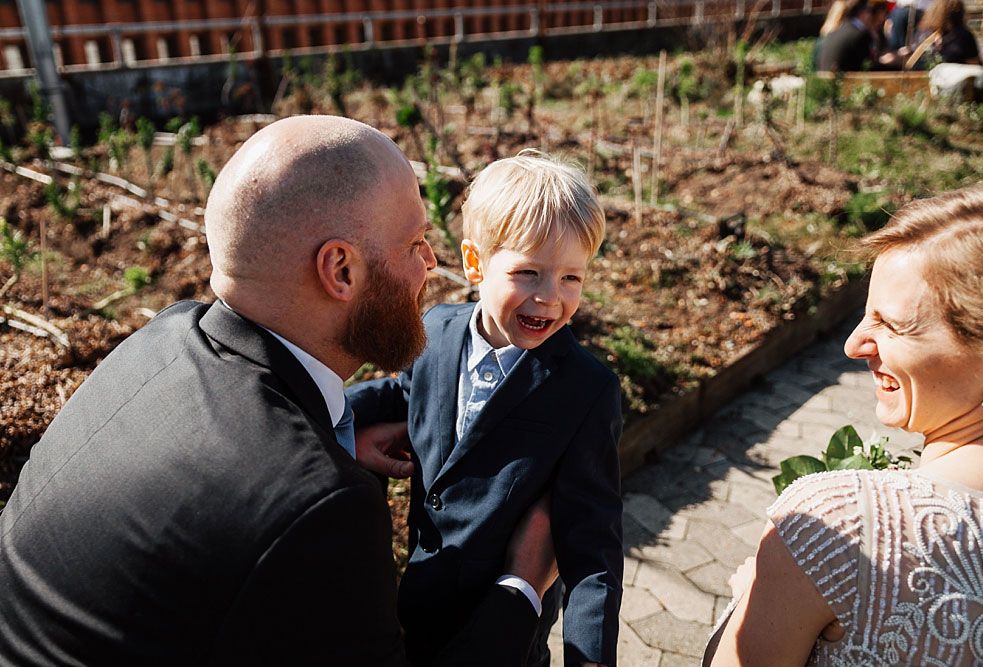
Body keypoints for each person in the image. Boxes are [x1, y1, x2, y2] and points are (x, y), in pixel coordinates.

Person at [0, 115, 556, 666]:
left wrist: (324, 444)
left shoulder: (161, 340)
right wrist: (524, 584)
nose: (432, 264)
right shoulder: (321, 508)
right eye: (415, 242)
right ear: (340, 270)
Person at [347, 151, 624, 667]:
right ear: (475, 264)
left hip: (503, 632)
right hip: (417, 602)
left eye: (571, 278)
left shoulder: (586, 390)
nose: (549, 298)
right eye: (530, 273)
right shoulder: (438, 330)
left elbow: (594, 548)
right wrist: (325, 409)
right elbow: (408, 393)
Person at [705, 181, 983, 665]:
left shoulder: (837, 523)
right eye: (867, 316)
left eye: (892, 324)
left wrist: (746, 600)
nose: (853, 345)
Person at [817, 0, 890, 72]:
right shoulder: (861, 34)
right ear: (862, 12)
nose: (871, 15)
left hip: (826, 81)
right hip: (846, 81)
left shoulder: (834, 32)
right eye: (869, 10)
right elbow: (867, 66)